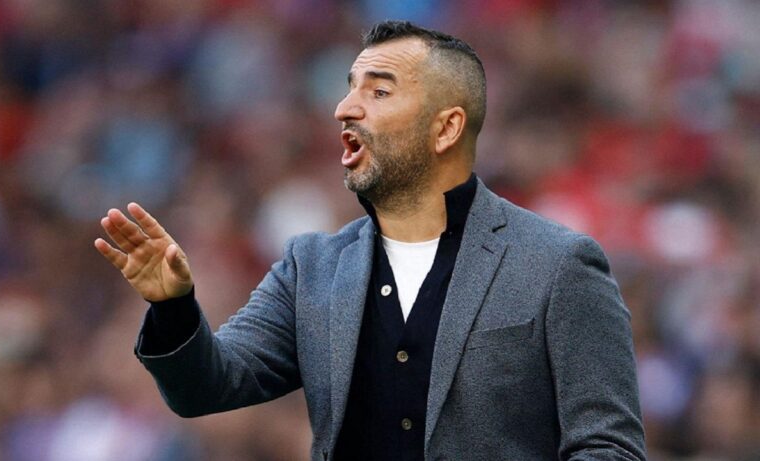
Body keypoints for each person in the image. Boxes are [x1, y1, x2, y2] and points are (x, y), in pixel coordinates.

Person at [95, 20, 646, 461]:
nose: (345, 108)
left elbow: (608, 447)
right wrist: (173, 307)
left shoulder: (557, 264)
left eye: (379, 91)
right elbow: (207, 388)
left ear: (446, 128)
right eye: (349, 88)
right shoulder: (310, 267)